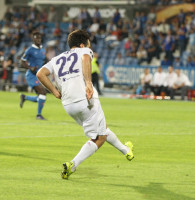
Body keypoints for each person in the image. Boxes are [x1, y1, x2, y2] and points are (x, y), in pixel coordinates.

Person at [36, 29, 134, 179]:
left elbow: (40, 74)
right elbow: (86, 59)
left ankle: (126, 150)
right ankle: (72, 165)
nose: (90, 46)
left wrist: (55, 92)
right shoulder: (84, 51)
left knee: (102, 128)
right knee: (99, 138)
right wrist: (88, 83)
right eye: (89, 43)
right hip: (85, 98)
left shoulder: (57, 59)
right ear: (82, 44)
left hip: (68, 104)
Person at [20, 31, 47, 120]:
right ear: (33, 39)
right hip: (31, 75)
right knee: (43, 92)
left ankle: (25, 97)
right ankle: (38, 115)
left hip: (39, 75)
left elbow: (45, 61)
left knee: (41, 96)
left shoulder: (43, 50)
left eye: (39, 38)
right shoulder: (30, 50)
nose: (38, 40)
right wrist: (30, 67)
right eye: (36, 38)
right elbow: (22, 61)